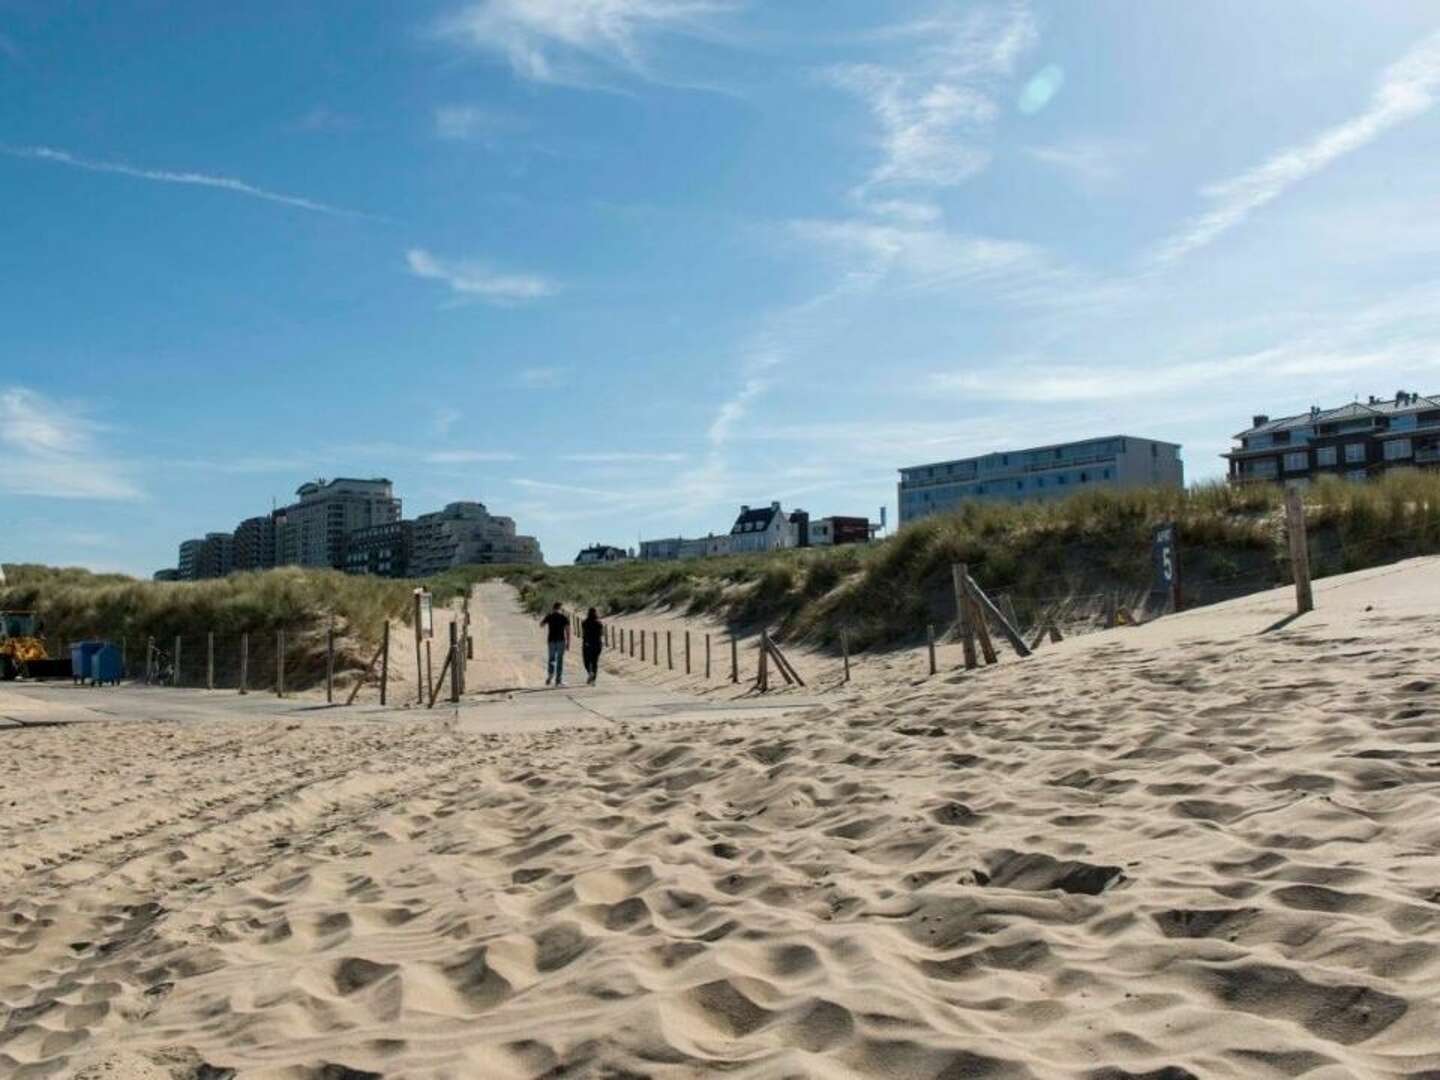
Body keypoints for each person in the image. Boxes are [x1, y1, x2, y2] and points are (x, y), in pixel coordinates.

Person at [539, 602, 570, 686]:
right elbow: (567, 631)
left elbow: (541, 625)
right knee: (560, 660)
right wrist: (568, 643)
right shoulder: (564, 617)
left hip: (551, 640)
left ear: (553, 608)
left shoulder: (549, 616)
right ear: (560, 608)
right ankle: (558, 680)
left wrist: (546, 618)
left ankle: (550, 674)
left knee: (551, 658)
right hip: (561, 640)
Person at [580, 608, 605, 685]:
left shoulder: (584, 623)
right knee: (595, 662)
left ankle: (590, 672)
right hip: (597, 644)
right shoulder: (599, 623)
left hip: (587, 644)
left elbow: (584, 633)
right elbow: (601, 634)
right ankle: (593, 680)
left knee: (586, 661)